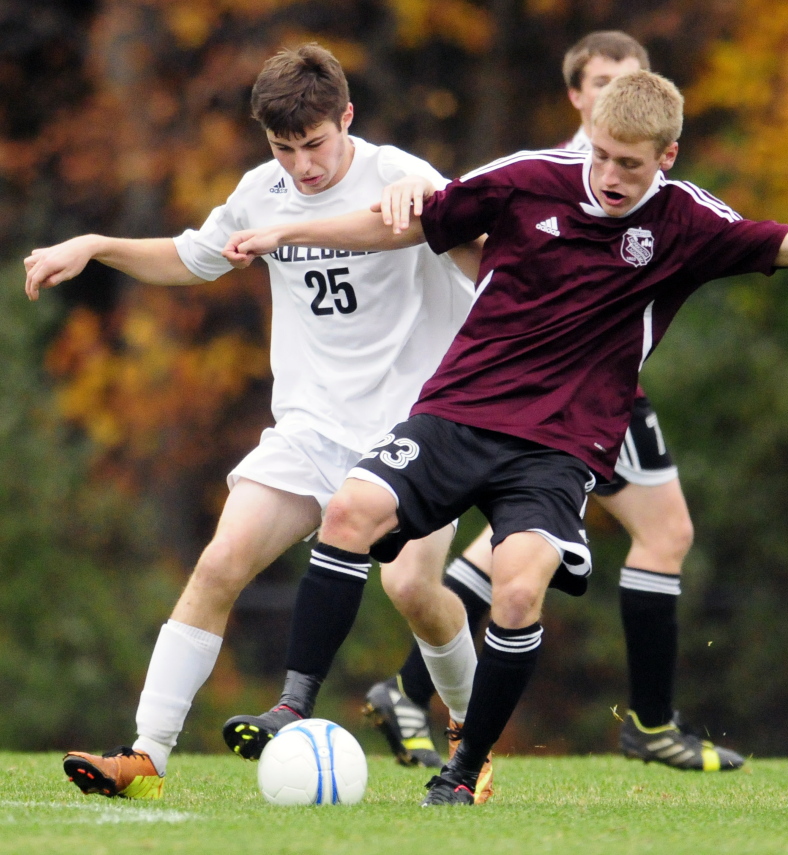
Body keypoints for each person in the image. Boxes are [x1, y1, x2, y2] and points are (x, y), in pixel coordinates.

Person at [221, 69, 788, 805]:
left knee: (519, 589)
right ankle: (292, 705)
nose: (607, 175)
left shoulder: (687, 223)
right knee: (348, 513)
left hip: (558, 451)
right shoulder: (529, 178)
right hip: (457, 413)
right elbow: (406, 223)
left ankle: (464, 769)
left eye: (628, 163)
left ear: (666, 156)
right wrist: (288, 228)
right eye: (598, 154)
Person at [23, 43, 482, 800]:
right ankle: (146, 756)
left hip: (418, 428)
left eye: (315, 144)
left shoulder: (403, 177)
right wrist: (97, 246)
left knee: (411, 588)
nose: (301, 166)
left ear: (347, 119)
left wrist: (437, 217)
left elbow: (484, 250)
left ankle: (472, 741)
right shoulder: (260, 192)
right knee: (219, 561)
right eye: (283, 148)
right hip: (309, 427)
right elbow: (191, 257)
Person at [361, 29, 743, 775]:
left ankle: (413, 687)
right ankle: (649, 723)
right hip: (559, 397)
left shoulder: (647, 185)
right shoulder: (559, 172)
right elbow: (467, 230)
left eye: (632, 78)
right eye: (602, 80)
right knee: (652, 533)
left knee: (543, 540)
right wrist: (411, 197)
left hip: (600, 388)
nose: (617, 92)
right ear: (577, 95)